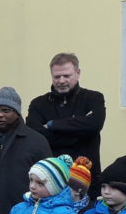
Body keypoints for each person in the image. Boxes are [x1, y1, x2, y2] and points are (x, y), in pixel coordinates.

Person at [26, 53, 107, 197]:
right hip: (48, 182)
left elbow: (94, 124)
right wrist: (79, 132)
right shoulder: (38, 104)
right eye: (57, 77)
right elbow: (36, 135)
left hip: (86, 181)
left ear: (78, 73)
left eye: (66, 76)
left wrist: (52, 125)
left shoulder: (93, 98)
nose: (61, 81)